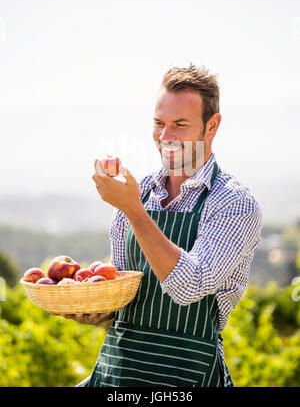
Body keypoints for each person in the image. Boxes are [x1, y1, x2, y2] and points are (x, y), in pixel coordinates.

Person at [56, 64, 262, 387]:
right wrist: (97, 310)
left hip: (186, 376)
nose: (165, 137)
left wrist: (135, 211)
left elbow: (189, 286)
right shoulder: (140, 194)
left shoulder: (233, 204)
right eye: (158, 123)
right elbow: (126, 295)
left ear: (212, 126)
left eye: (180, 124)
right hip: (118, 375)